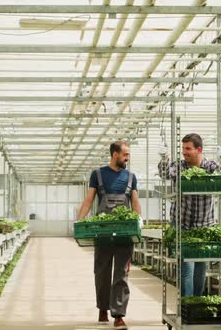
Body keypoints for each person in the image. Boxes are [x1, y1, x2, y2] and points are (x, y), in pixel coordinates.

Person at [77, 140, 142, 330]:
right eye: (125, 155)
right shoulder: (98, 174)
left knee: (121, 274)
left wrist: (139, 221)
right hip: (103, 231)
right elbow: (89, 199)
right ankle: (103, 308)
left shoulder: (131, 177)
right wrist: (79, 221)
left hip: (125, 233)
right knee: (102, 272)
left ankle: (119, 315)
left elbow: (135, 202)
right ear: (115, 154)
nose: (127, 158)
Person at [158, 133, 221, 297]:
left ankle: (196, 304)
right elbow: (164, 173)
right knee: (186, 270)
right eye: (183, 148)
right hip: (182, 225)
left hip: (204, 227)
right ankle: (186, 308)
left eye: (188, 149)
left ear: (199, 150)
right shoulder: (179, 167)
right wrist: (164, 158)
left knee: (201, 271)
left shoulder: (210, 167)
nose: (184, 152)